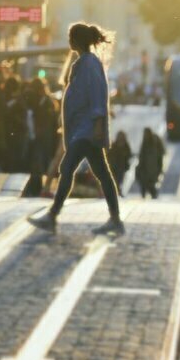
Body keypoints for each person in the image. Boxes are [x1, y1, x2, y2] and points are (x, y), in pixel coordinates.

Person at [29, 22, 123, 235]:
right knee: (102, 173)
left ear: (76, 40)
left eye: (70, 37)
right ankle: (115, 219)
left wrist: (98, 123)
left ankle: (52, 215)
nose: (69, 41)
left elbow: (99, 93)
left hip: (87, 129)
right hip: (82, 128)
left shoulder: (90, 64)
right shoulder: (83, 63)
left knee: (67, 167)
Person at [136, 126, 165, 198]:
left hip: (152, 167)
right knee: (145, 183)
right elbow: (141, 156)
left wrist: (159, 168)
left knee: (149, 184)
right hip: (146, 168)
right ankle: (148, 195)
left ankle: (153, 195)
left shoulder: (154, 143)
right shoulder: (145, 143)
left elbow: (159, 156)